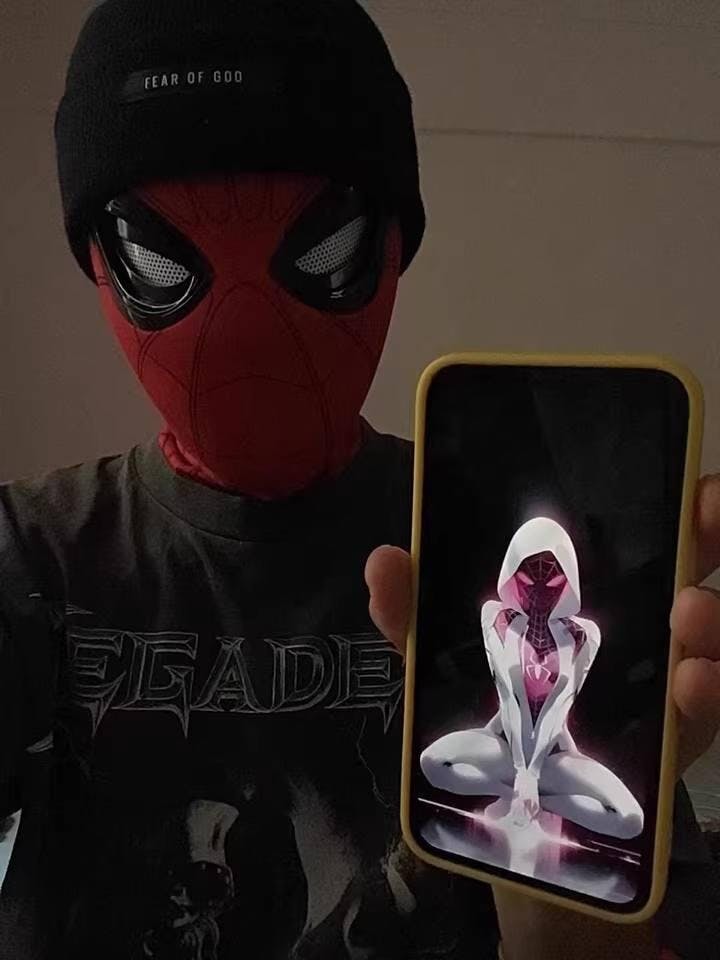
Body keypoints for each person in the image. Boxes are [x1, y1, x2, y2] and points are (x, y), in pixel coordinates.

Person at [0, 1, 717, 959]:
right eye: (159, 261)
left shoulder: (495, 549)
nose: (244, 336)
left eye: (321, 253)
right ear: (100, 260)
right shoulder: (27, 557)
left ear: (390, 250)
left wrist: (561, 915)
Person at [420, 517, 644, 841]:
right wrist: (519, 779)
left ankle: (538, 805)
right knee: (432, 761)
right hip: (503, 748)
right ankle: (515, 797)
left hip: (553, 759)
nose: (539, 592)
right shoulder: (496, 618)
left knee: (630, 819)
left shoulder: (584, 635)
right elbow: (510, 699)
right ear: (513, 573)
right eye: (528, 579)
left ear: (567, 581)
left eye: (552, 581)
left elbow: (560, 708)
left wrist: (534, 777)